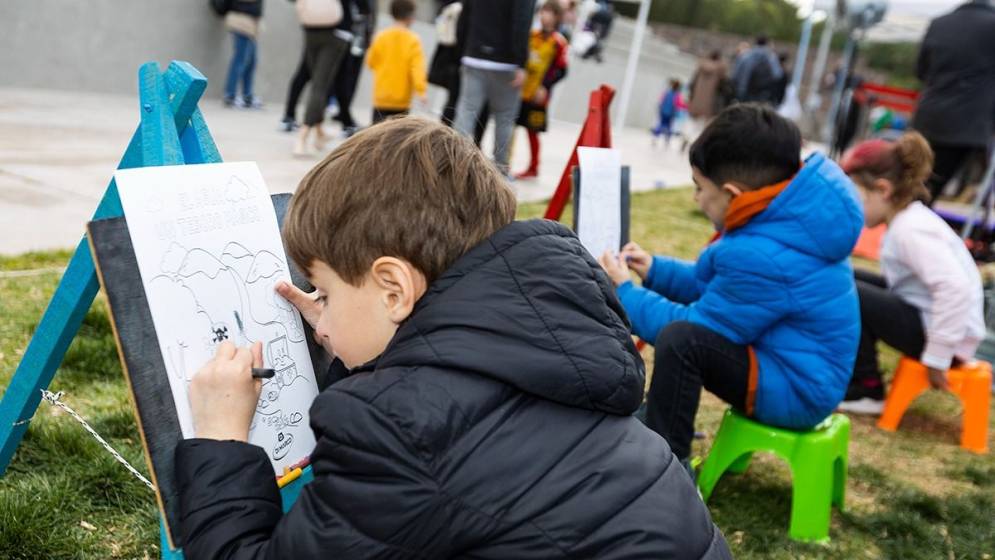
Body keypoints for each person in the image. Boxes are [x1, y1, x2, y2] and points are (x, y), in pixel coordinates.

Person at [174, 118, 733, 558]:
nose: (322, 315)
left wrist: (223, 440)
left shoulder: (395, 431)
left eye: (325, 291)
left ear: (393, 289)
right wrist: (342, 331)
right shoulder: (553, 338)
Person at [598, 104, 863, 464]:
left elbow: (695, 325)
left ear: (732, 194)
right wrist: (655, 269)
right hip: (796, 370)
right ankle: (657, 431)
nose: (695, 199)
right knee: (686, 339)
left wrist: (624, 293)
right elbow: (714, 286)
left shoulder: (762, 255)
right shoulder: (788, 218)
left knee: (682, 342)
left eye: (698, 188)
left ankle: (664, 468)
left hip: (796, 390)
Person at [837, 132, 986, 414]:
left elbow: (954, 288)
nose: (850, 206)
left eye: (854, 197)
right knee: (844, 279)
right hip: (929, 319)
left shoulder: (910, 230)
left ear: (883, 189)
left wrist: (938, 356)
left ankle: (866, 387)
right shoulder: (905, 222)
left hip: (947, 341)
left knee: (852, 294)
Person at [913, 0, 995, 204]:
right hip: (968, 124)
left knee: (916, 184)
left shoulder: (939, 23)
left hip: (929, 117)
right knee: (929, 191)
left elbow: (921, 72)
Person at [453, 0, 536, 176]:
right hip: (506, 63)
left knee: (466, 114)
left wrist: (463, 51)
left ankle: (452, 166)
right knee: (504, 119)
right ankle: (501, 172)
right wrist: (521, 62)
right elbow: (522, 21)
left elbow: (464, 16)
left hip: (474, 56)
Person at [513, 0, 569, 180]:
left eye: (549, 12)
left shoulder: (558, 43)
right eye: (543, 11)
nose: (545, 16)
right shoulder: (532, 36)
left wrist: (545, 87)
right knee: (510, 126)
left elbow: (561, 70)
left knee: (533, 131)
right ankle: (504, 163)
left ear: (557, 17)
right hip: (521, 91)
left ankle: (534, 167)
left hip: (538, 96)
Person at [365, 0, 428, 124]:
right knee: (397, 136)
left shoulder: (381, 36)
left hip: (381, 96)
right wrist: (421, 91)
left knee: (375, 133)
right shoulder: (413, 40)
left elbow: (370, 61)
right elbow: (417, 68)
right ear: (410, 16)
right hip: (402, 100)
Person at [222, 0, 264, 108]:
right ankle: (230, 96)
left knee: (251, 62)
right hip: (241, 21)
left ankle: (247, 96)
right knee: (240, 60)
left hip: (251, 24)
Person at [731, 35, 784, 105]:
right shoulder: (771, 57)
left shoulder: (746, 56)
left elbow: (735, 75)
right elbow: (778, 75)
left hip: (745, 92)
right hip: (764, 94)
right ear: (766, 43)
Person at [651, 79, 686, 148]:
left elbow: (661, 101)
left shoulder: (666, 93)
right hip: (671, 114)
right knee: (669, 127)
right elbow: (679, 104)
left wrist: (660, 109)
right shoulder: (677, 95)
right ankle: (667, 141)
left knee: (661, 124)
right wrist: (686, 106)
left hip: (663, 112)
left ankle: (655, 138)